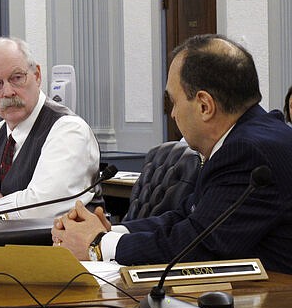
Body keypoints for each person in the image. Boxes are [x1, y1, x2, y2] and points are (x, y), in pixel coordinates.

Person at [52, 34, 292, 275]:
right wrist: (110, 231)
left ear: (204, 106)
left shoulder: (248, 153)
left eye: (174, 102)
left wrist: (98, 245)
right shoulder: (247, 138)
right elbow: (185, 217)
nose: (174, 114)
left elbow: (200, 244)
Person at [0, 37, 101, 218]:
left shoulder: (68, 130)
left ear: (37, 75)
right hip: (5, 243)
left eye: (16, 78)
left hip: (56, 245)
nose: (8, 92)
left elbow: (42, 205)